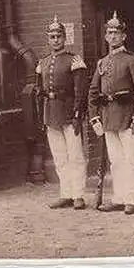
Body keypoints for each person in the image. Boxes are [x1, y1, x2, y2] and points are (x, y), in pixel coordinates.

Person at [88, 11, 134, 215]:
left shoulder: (132, 60)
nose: (113, 36)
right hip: (108, 117)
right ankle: (119, 197)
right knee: (116, 161)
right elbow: (93, 91)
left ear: (124, 36)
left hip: (127, 117)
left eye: (117, 32)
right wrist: (94, 116)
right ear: (106, 36)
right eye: (110, 32)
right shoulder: (102, 62)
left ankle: (132, 199)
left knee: (131, 160)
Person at [35, 15, 88, 210]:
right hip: (52, 114)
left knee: (75, 156)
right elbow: (40, 93)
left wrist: (77, 114)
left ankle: (78, 195)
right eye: (52, 36)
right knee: (59, 157)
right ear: (48, 39)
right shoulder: (44, 62)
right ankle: (66, 193)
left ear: (64, 38)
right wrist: (43, 116)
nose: (55, 40)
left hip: (68, 114)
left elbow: (80, 91)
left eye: (58, 36)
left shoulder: (74, 60)